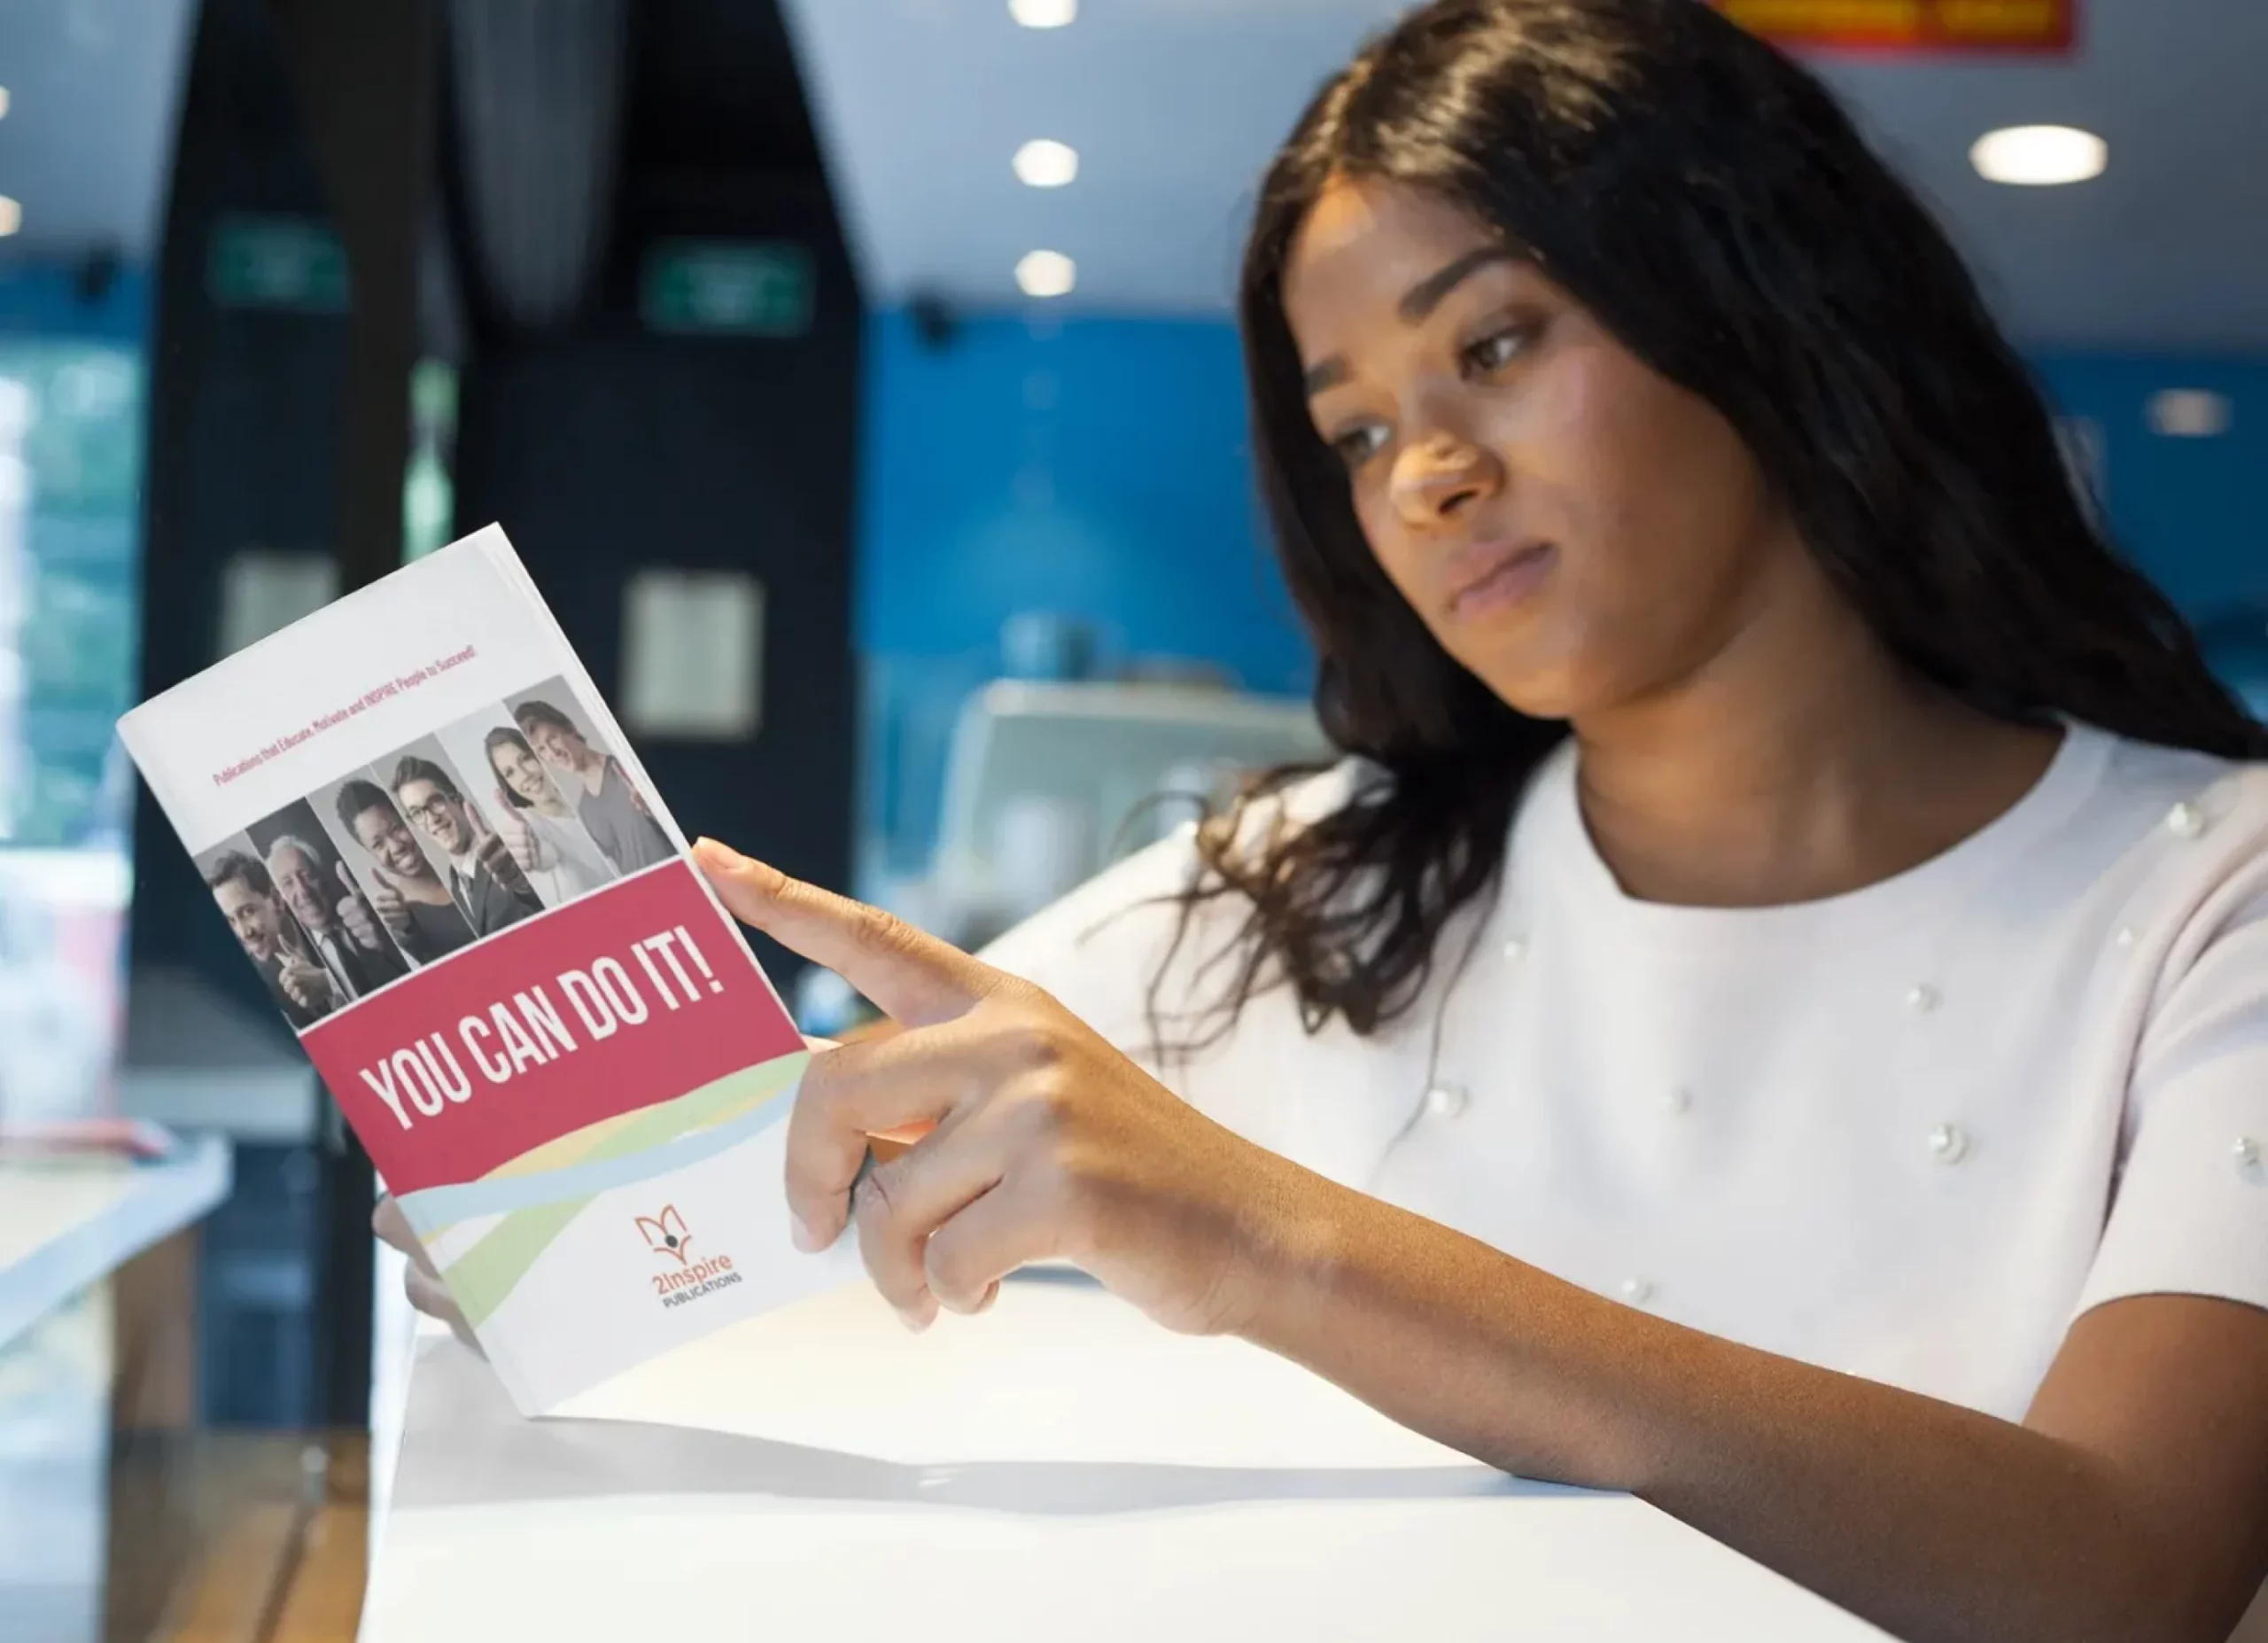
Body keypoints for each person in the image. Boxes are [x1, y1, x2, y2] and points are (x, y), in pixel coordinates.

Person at [384, 4, 2268, 1639]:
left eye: (1497, 343)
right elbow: (835, 1153)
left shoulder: (2215, 894)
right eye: (1354, 429)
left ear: (1760, 307)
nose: (1426, 473)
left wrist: (1269, 1242)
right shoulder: (1306, 893)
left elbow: (2123, 1573)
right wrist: (565, 1202)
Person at [512, 697, 674, 874]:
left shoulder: (628, 767)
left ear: (570, 729)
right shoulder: (584, 811)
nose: (553, 752)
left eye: (552, 738)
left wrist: (657, 808)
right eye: (541, 750)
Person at [388, 755, 544, 938]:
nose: (431, 819)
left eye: (436, 802)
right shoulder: (455, 886)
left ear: (457, 799)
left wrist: (524, 884)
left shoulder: (507, 854)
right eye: (417, 813)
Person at [334, 778, 478, 963]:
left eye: (395, 828)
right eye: (378, 844)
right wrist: (404, 932)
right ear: (369, 852)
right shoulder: (400, 918)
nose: (396, 847)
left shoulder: (460, 860)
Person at [481, 724, 618, 903]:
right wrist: (532, 855)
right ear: (507, 785)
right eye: (510, 773)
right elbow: (543, 853)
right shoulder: (529, 823)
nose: (524, 775)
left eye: (525, 758)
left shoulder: (584, 803)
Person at [265, 833, 410, 1001]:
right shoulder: (296, 958)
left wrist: (387, 937)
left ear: (322, 876)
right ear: (280, 899)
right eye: (288, 883)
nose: (303, 891)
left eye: (306, 875)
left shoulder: (365, 916)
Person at [204, 849, 338, 1028]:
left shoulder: (324, 917)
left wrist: (330, 983)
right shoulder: (255, 981)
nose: (243, 933)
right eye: (231, 921)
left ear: (276, 901)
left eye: (248, 911)